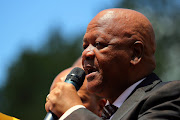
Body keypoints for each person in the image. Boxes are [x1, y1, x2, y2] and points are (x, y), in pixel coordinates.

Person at [45, 8, 180, 120]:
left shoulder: (170, 96)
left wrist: (72, 110)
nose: (86, 53)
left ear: (135, 53)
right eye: (85, 46)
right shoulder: (104, 113)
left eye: (99, 44)